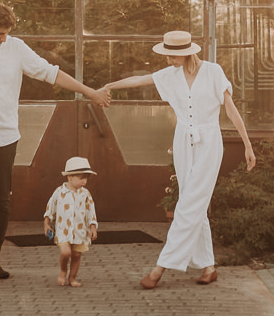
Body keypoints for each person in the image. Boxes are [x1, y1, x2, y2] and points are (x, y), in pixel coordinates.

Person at [0, 2, 111, 286]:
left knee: (1, 199)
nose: (3, 38)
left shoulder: (16, 48)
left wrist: (88, 92)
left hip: (6, 135)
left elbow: (51, 73)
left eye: (7, 32)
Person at [100, 30, 256, 289]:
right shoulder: (169, 75)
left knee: (191, 202)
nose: (169, 59)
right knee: (192, 201)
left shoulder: (213, 72)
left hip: (209, 141)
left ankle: (160, 267)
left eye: (173, 55)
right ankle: (208, 267)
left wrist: (247, 144)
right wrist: (110, 86)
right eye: (167, 54)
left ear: (187, 52)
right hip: (183, 140)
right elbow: (140, 80)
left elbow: (230, 108)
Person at [43, 156, 100, 287]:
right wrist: (46, 224)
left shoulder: (85, 194)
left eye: (86, 178)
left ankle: (72, 278)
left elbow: (91, 211)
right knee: (65, 252)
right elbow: (50, 208)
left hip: (80, 232)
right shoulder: (59, 192)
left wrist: (92, 227)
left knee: (76, 255)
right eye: (81, 178)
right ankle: (63, 271)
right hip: (63, 230)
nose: (84, 181)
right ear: (69, 177)